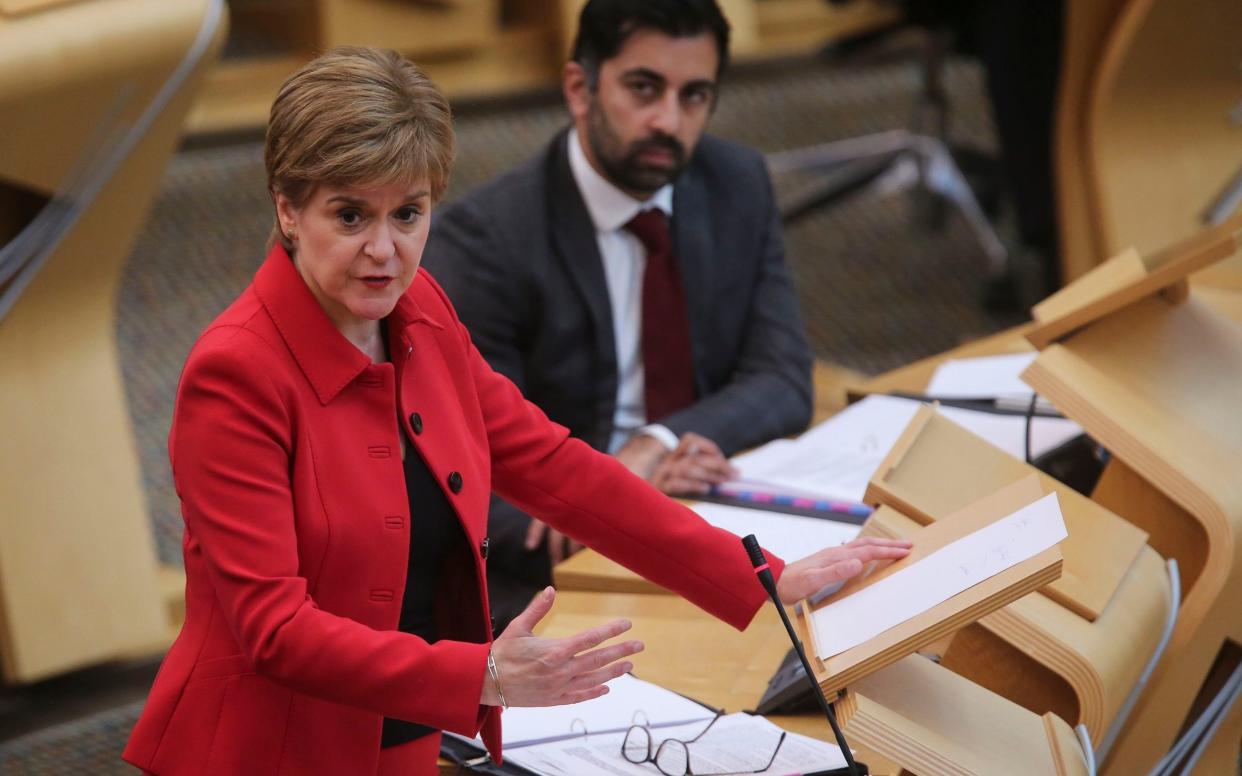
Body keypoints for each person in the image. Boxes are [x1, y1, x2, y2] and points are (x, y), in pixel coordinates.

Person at [120, 46, 908, 776]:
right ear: (288, 210)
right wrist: (485, 673)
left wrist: (763, 574)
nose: (385, 251)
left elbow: (552, 465)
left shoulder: (417, 309)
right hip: (267, 748)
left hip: (404, 733)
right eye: (349, 215)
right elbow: (275, 630)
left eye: (409, 213)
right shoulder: (235, 374)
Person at [422, 0, 815, 629]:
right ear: (579, 89)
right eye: (643, 88)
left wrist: (653, 447)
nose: (669, 120)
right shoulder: (487, 240)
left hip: (710, 505)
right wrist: (619, 498)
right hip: (562, 567)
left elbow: (784, 379)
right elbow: (465, 463)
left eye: (695, 96)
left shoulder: (736, 181)